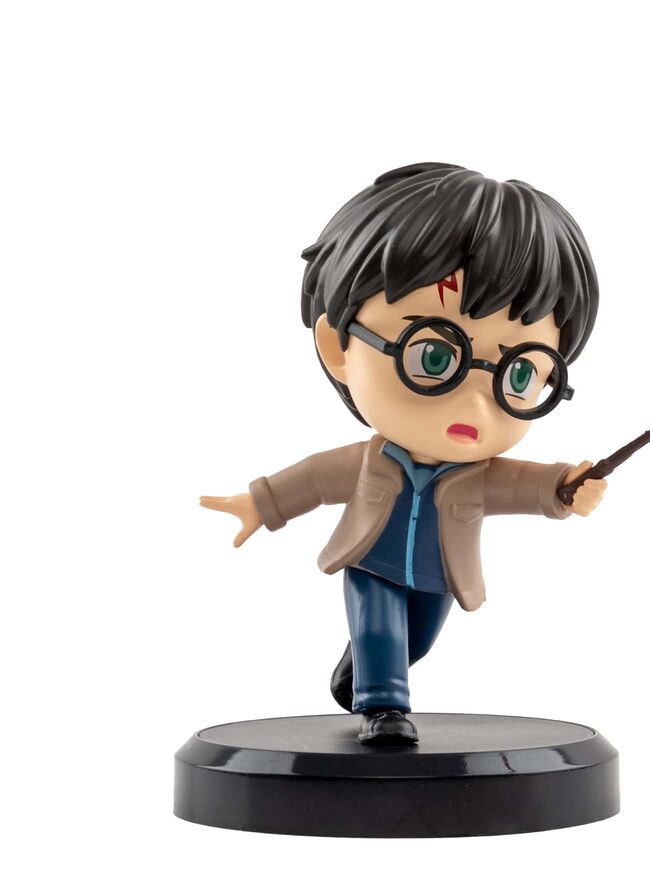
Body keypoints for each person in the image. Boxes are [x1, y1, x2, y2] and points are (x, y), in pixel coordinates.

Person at [201, 163, 607, 745]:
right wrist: (259, 503)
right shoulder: (371, 461)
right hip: (370, 558)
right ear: (338, 346)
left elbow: (528, 484)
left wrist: (567, 487)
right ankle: (383, 706)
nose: (474, 402)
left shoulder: (476, 477)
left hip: (440, 573)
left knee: (416, 641)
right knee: (380, 631)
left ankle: (360, 674)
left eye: (519, 374)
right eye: (435, 358)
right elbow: (313, 479)